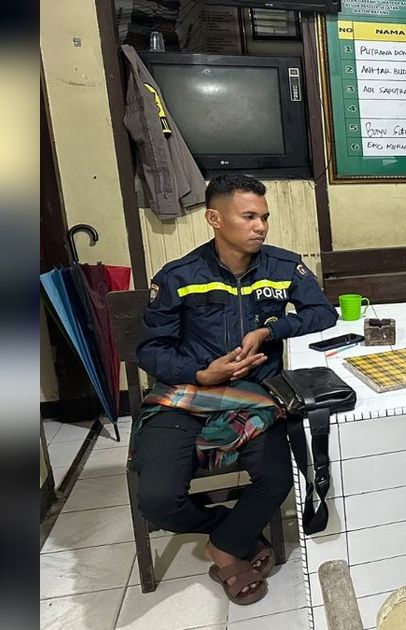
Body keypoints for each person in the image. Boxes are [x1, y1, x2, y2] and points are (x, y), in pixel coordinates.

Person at [135, 174, 337, 605]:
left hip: (257, 396)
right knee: (155, 499)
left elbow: (323, 313)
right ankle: (229, 529)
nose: (260, 226)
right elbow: (152, 350)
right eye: (248, 217)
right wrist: (201, 373)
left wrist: (271, 329)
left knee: (278, 479)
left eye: (264, 217)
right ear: (214, 218)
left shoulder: (283, 266)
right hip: (187, 395)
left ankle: (225, 549)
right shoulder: (179, 276)